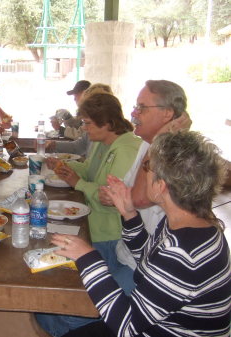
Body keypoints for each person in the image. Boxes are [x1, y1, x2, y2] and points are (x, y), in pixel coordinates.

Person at [54, 131, 230, 337]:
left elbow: (127, 327)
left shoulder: (182, 253)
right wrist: (129, 215)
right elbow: (149, 261)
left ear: (160, 185)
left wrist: (88, 258)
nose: (141, 173)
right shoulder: (190, 222)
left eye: (146, 166)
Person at [38, 93, 142, 337]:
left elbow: (112, 199)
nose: (83, 128)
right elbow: (90, 170)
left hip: (108, 233)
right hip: (91, 223)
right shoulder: (103, 143)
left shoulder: (127, 149)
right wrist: (66, 168)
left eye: (87, 123)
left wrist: (78, 184)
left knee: (76, 302)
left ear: (106, 123)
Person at [99, 80, 191, 270]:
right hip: (128, 251)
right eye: (135, 107)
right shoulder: (146, 144)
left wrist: (161, 139)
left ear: (168, 113)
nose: (134, 113)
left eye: (142, 108)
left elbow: (140, 199)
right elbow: (129, 193)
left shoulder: (177, 152)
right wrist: (113, 195)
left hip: (147, 267)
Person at [45, 83, 113, 158]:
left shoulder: (114, 145)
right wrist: (53, 145)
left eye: (87, 122)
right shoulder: (97, 132)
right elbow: (78, 147)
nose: (84, 128)